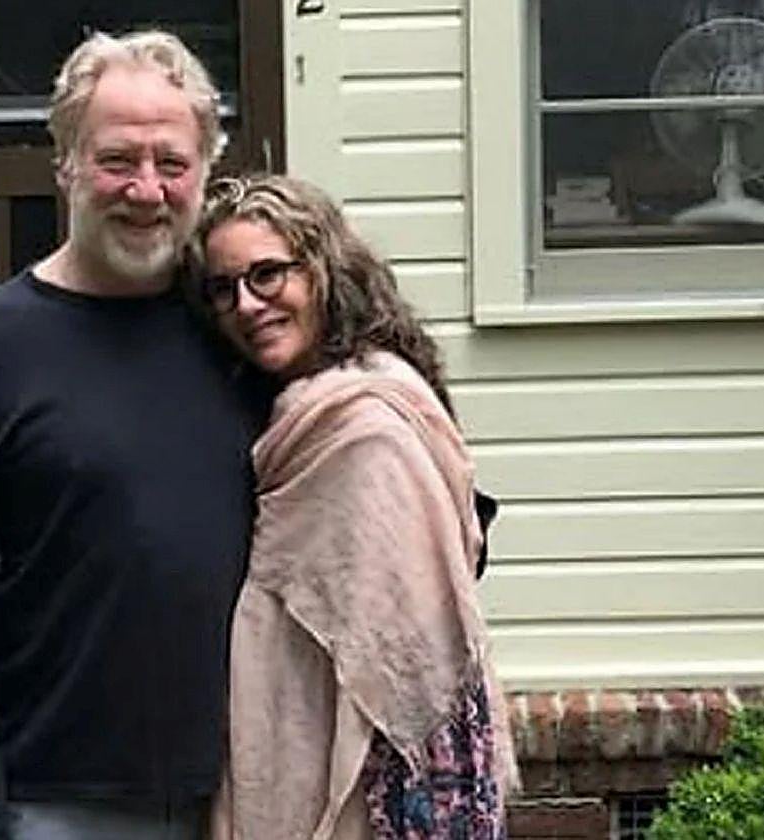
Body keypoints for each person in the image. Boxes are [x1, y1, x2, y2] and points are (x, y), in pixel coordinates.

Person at [0, 31, 262, 840]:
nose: (146, 189)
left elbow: (356, 431)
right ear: (65, 164)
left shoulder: (240, 329)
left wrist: (440, 511)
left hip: (243, 796)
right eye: (117, 160)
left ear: (206, 171)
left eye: (172, 163)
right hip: (49, 805)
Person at [191, 174, 520, 840]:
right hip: (287, 750)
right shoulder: (277, 413)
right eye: (224, 289)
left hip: (367, 792)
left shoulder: (367, 430)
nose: (247, 304)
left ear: (323, 270)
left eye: (267, 274)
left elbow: (411, 661)